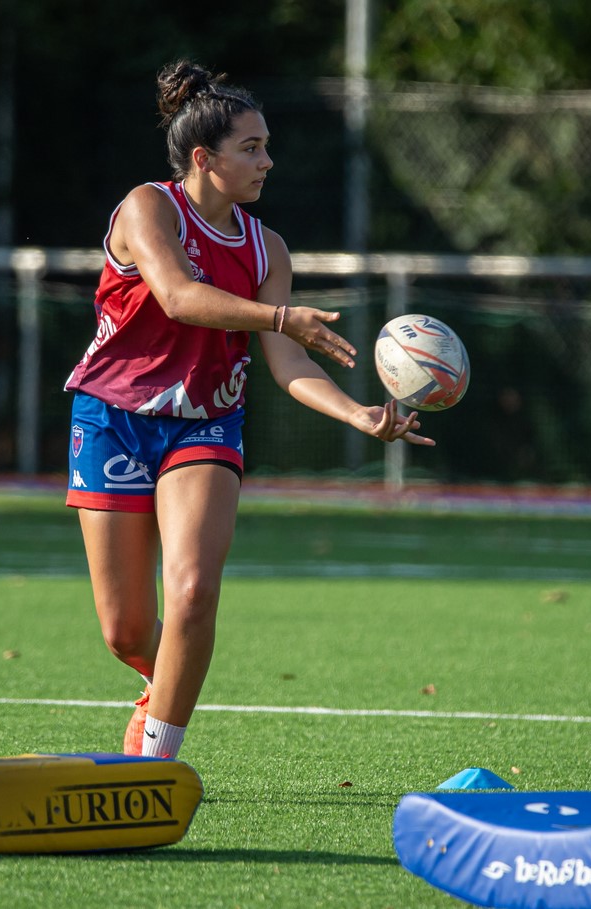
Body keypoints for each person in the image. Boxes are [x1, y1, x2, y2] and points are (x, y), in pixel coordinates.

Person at [64, 60, 434, 760]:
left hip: (207, 423)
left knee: (195, 588)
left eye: (265, 146)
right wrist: (280, 314)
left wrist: (355, 414)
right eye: (252, 147)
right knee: (125, 629)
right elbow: (177, 295)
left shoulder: (268, 248)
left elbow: (286, 362)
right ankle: (159, 684)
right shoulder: (147, 207)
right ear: (204, 159)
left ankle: (155, 759)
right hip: (112, 415)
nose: (268, 160)